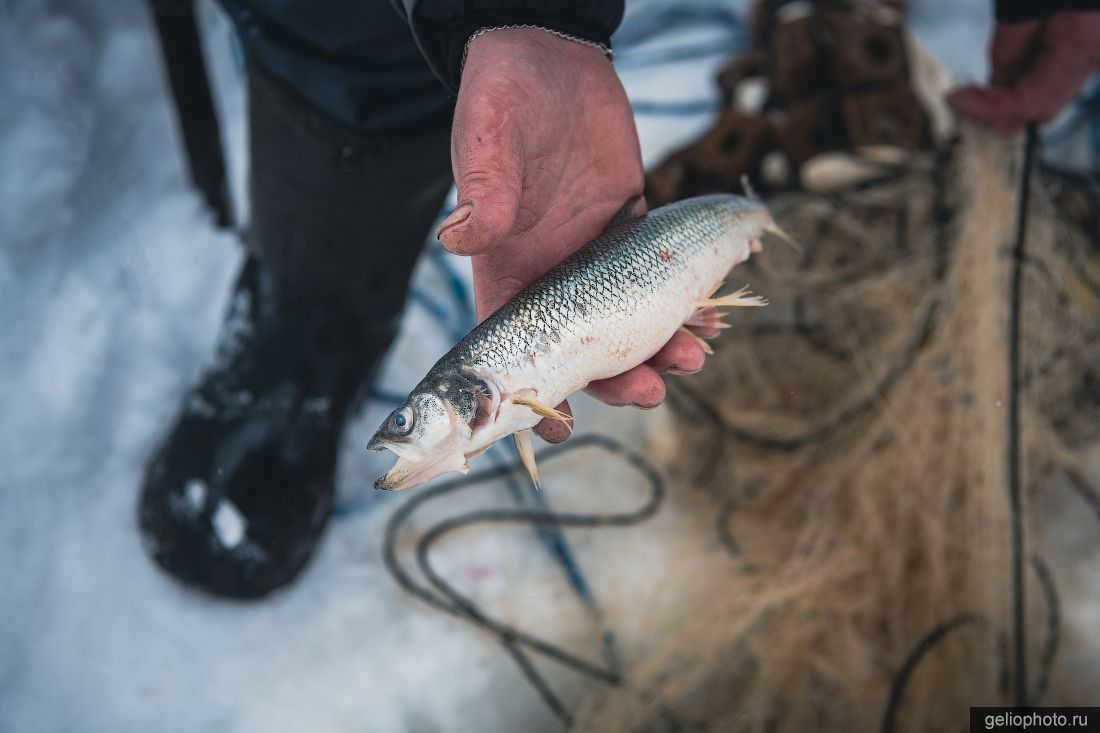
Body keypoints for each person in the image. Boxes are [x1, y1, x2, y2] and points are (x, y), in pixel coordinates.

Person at [140, 0, 1100, 600]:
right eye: (406, 424)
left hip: (678, 219)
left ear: (461, 407)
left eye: (407, 422)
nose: (401, 436)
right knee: (340, 39)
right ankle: (309, 322)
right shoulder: (489, 408)